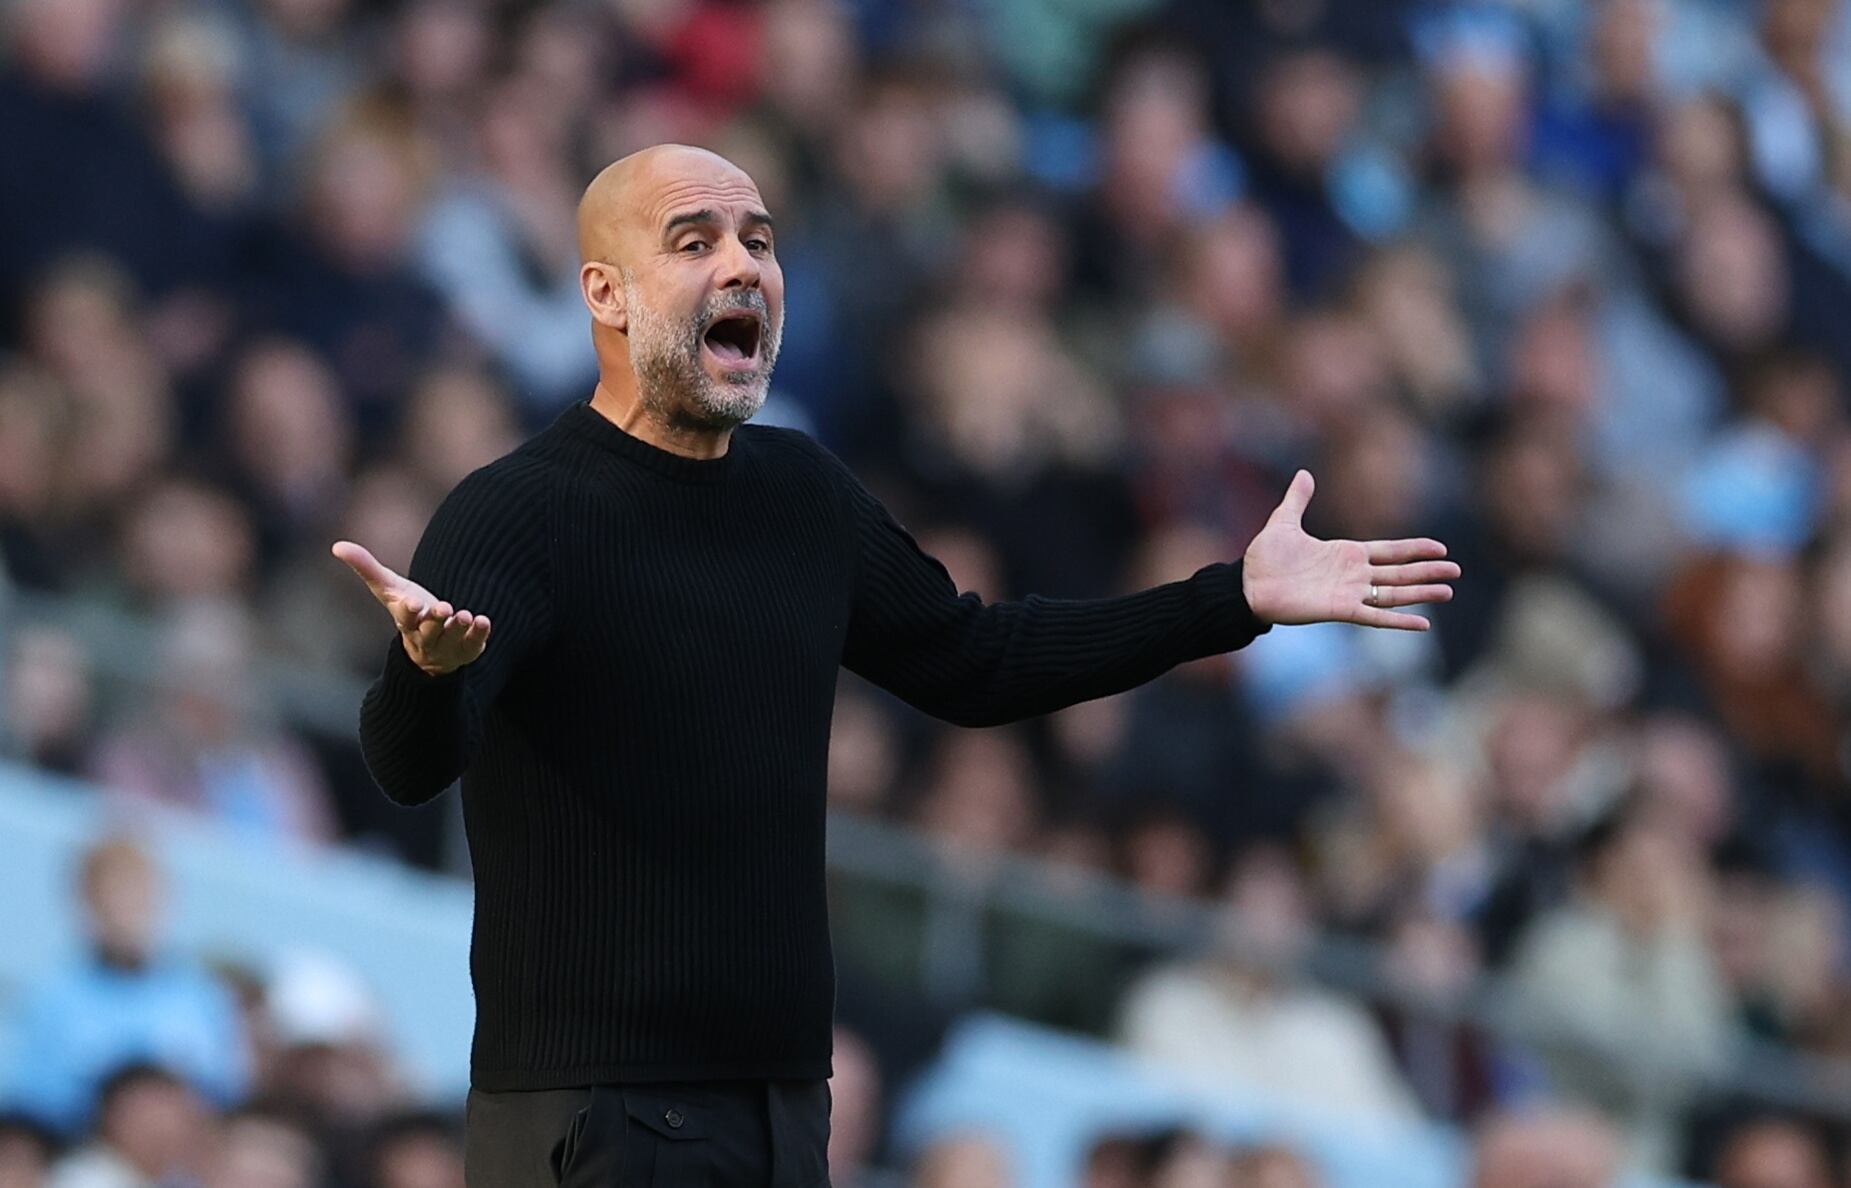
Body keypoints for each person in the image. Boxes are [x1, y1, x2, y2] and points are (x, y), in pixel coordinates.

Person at [332, 143, 1459, 1186]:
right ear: (605, 294)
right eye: (694, 241)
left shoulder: (804, 497)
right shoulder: (516, 513)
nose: (743, 265)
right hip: (593, 1108)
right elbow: (407, 764)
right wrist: (430, 673)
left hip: (781, 1105)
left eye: (759, 240)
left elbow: (977, 660)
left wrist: (1230, 599)